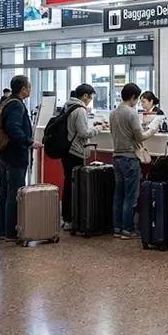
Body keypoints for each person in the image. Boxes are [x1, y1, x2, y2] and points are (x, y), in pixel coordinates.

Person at [0, 75, 42, 242]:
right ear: (23, 89)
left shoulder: (7, 102)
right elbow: (13, 128)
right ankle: (11, 232)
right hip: (14, 155)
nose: (30, 90)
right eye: (29, 87)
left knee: (4, 191)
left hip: (4, 154)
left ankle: (2, 230)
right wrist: (29, 141)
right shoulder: (16, 105)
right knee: (14, 193)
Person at [110, 83, 160, 239]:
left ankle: (117, 227)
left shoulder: (113, 113)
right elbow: (139, 136)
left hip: (116, 157)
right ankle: (128, 229)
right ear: (133, 97)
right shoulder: (131, 113)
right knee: (131, 195)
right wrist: (152, 130)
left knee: (119, 194)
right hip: (130, 158)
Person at [61, 84, 102, 230]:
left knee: (68, 183)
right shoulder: (79, 110)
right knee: (74, 185)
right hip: (76, 151)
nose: (90, 101)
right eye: (90, 97)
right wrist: (98, 128)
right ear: (85, 96)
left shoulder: (67, 106)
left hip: (66, 151)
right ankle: (72, 218)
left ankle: (66, 217)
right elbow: (83, 133)